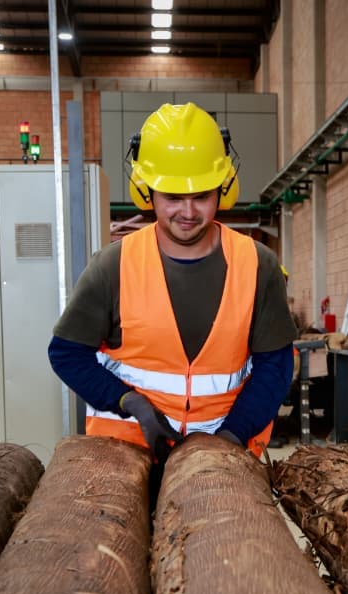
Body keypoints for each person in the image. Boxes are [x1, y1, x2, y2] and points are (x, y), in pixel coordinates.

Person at [49, 102, 297, 463]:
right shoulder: (113, 266)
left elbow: (275, 367)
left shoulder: (259, 265)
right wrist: (130, 402)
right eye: (173, 198)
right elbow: (67, 353)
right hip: (123, 454)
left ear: (223, 189)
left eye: (202, 196)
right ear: (145, 190)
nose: (188, 212)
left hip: (225, 453)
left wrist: (230, 436)